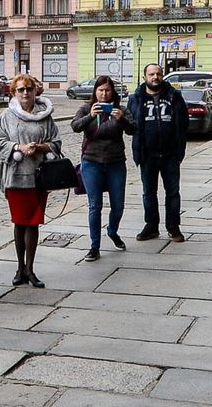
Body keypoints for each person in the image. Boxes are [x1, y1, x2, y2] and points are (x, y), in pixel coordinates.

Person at [0, 74, 63, 289]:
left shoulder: (45, 115)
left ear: (35, 91)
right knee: (19, 221)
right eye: (21, 89)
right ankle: (19, 267)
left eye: (29, 89)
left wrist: (40, 147)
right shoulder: (7, 116)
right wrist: (18, 148)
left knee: (33, 222)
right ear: (14, 92)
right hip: (15, 176)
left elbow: (56, 141)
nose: (25, 93)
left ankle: (30, 268)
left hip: (38, 176)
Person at [72, 75, 135, 262]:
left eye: (107, 90)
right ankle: (94, 246)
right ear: (95, 92)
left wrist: (121, 119)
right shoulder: (86, 108)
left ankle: (112, 230)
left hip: (115, 162)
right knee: (95, 205)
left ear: (112, 92)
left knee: (118, 204)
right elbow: (75, 126)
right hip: (91, 162)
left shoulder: (121, 109)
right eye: (100, 90)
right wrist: (90, 116)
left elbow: (133, 129)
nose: (104, 94)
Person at [126, 64, 189, 244]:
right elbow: (130, 125)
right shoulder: (136, 99)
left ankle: (173, 227)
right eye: (151, 74)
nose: (155, 77)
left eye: (159, 74)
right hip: (147, 154)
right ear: (145, 76)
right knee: (148, 192)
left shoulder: (174, 96)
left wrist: (179, 149)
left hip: (170, 154)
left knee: (173, 192)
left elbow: (183, 123)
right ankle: (151, 226)